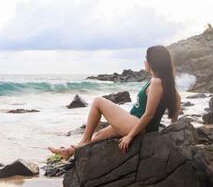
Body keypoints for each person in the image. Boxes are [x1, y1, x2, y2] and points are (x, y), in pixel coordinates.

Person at [48, 45, 181, 160]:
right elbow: (177, 100)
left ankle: (84, 140)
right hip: (134, 122)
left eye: (146, 58)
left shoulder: (157, 82)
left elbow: (149, 115)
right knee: (98, 136)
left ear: (152, 61)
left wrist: (130, 136)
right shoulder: (162, 81)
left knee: (98, 102)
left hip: (137, 124)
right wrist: (173, 125)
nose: (144, 61)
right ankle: (69, 152)